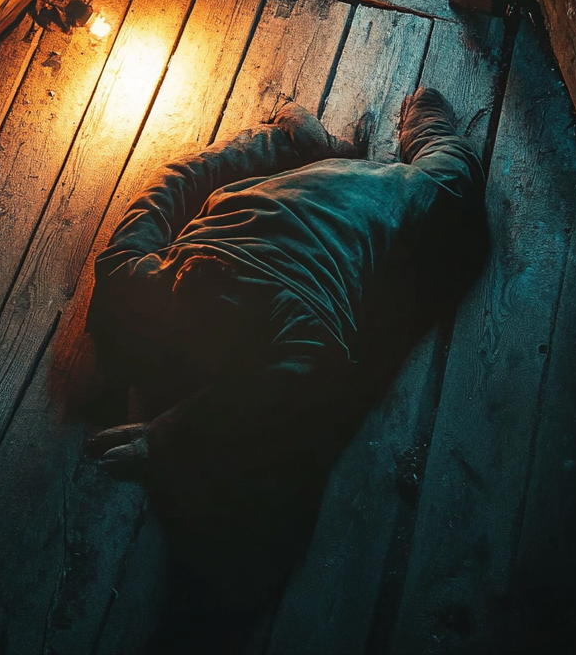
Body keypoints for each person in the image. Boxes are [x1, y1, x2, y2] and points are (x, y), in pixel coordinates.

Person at [83, 87, 487, 643]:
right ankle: (306, 144)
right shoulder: (146, 284)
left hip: (361, 204)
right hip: (280, 192)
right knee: (441, 184)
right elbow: (178, 178)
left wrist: (166, 433)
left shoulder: (295, 321)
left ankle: (403, 132)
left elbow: (289, 384)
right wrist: (272, 148)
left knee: (452, 179)